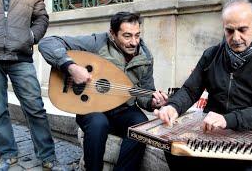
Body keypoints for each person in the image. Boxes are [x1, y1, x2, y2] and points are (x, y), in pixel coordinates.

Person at [154, 0, 252, 170]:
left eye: (242, 29)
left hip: (251, 136)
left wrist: (228, 120)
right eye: (229, 30)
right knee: (174, 150)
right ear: (223, 27)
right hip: (211, 132)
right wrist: (173, 106)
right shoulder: (211, 55)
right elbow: (190, 90)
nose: (235, 37)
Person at [38, 12, 168, 171]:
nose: (134, 42)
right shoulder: (97, 43)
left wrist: (153, 102)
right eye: (127, 36)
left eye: (137, 35)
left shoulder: (145, 57)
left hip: (123, 109)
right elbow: (47, 43)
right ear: (112, 34)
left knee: (140, 126)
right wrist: (71, 67)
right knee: (98, 123)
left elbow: (146, 92)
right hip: (91, 107)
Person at [0, 0, 67, 170]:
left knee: (35, 108)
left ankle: (48, 157)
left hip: (21, 57)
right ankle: (8, 153)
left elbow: (42, 18)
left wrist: (31, 37)